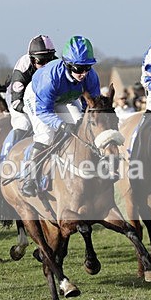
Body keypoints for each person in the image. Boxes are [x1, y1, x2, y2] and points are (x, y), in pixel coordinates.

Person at [20, 35, 101, 196]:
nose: (83, 73)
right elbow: (44, 111)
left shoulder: (91, 77)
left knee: (82, 126)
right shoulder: (50, 78)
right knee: (46, 135)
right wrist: (61, 124)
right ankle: (29, 178)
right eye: (78, 68)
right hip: (37, 98)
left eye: (87, 67)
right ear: (68, 64)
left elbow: (92, 106)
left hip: (65, 98)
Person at [6, 35, 57, 149]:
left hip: (42, 99)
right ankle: (9, 154)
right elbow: (16, 102)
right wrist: (30, 110)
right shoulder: (23, 68)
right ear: (32, 59)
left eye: (49, 59)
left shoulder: (56, 64)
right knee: (23, 125)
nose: (46, 65)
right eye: (41, 61)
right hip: (18, 99)